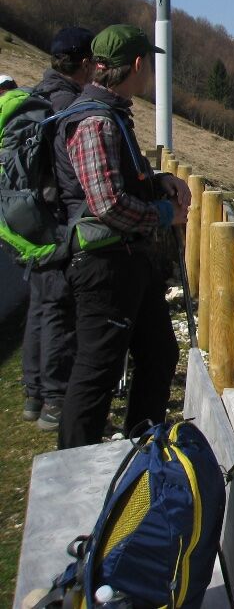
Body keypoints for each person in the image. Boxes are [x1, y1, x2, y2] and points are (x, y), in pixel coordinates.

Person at [54, 24, 190, 448]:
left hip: (128, 262)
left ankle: (140, 450)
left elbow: (119, 180)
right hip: (104, 266)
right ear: (135, 64)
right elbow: (108, 204)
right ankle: (74, 474)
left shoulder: (110, 115)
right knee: (98, 370)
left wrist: (157, 180)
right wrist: (164, 213)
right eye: (147, 64)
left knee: (160, 352)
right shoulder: (95, 121)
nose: (149, 73)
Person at [21, 27, 94, 430]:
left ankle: (33, 393)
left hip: (30, 216)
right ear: (84, 63)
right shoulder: (67, 105)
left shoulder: (37, 95)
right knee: (59, 308)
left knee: (40, 301)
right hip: (56, 216)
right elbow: (73, 173)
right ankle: (54, 399)